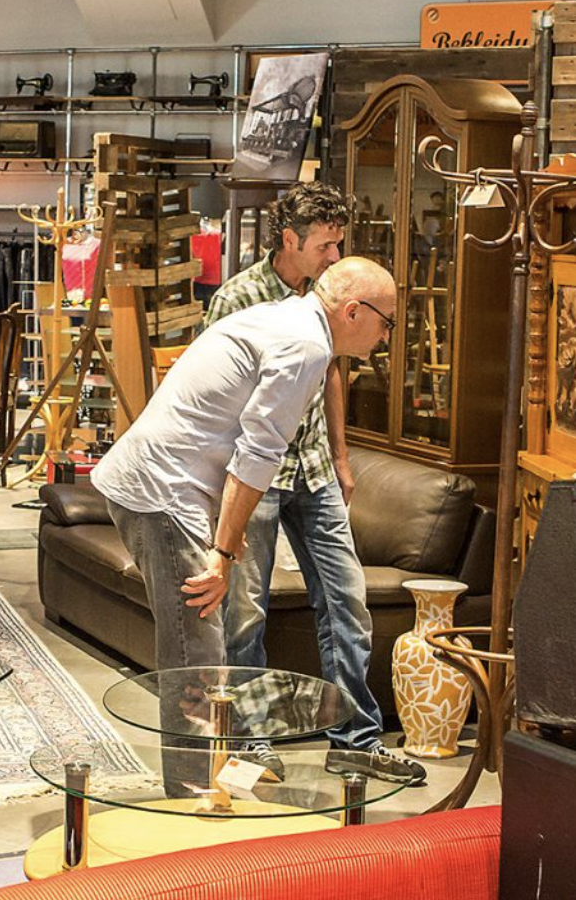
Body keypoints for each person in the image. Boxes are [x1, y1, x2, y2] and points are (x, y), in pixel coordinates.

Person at [205, 182, 426, 784]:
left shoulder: (331, 300)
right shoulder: (238, 298)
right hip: (255, 475)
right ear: (289, 240)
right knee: (244, 612)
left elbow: (330, 376)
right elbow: (220, 390)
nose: (334, 257)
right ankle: (248, 738)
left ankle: (355, 739)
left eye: (338, 245)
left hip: (313, 469)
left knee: (346, 599)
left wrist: (341, 457)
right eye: (325, 246)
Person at [91, 256, 393, 670]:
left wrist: (227, 539)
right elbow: (258, 454)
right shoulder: (307, 344)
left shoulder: (288, 317)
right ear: (353, 311)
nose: (386, 336)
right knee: (196, 657)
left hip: (158, 483)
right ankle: (195, 718)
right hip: (165, 492)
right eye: (387, 322)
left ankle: (207, 717)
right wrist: (224, 550)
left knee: (198, 649)